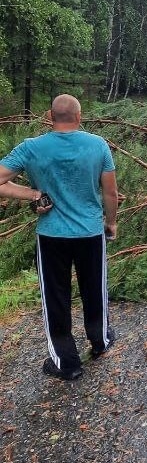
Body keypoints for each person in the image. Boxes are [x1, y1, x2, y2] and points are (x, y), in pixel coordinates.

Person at [0, 94, 118, 381]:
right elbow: (110, 193)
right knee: (94, 289)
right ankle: (100, 341)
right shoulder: (98, 145)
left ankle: (66, 362)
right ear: (80, 117)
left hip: (51, 236)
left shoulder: (31, 147)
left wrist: (32, 194)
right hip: (90, 232)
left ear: (49, 116)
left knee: (55, 296)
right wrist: (111, 223)